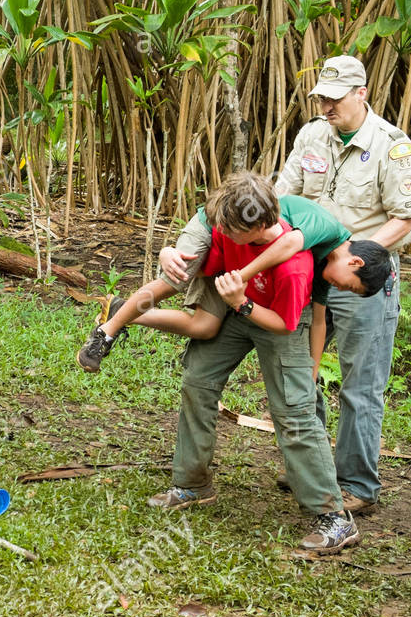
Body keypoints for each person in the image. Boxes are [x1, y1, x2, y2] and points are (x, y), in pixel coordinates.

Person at [148, 172, 361, 554]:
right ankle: (193, 484)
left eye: (232, 228)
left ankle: (333, 516)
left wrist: (242, 303)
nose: (225, 233)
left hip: (279, 320)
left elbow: (288, 323)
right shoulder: (232, 227)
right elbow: (196, 250)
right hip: (235, 311)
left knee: (293, 410)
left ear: (258, 225)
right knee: (197, 380)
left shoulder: (293, 264)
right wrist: (168, 253)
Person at [276, 55, 411, 515]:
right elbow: (284, 195)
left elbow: (405, 219)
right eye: (321, 97)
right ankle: (311, 465)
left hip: (361, 278)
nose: (326, 105)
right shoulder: (311, 134)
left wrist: (349, 255)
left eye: (335, 98)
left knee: (361, 385)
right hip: (309, 274)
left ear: (361, 94)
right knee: (300, 370)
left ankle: (357, 484)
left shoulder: (391, 145)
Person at [77, 193, 388, 377]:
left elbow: (318, 320)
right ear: (355, 263)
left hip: (237, 249)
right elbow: (288, 243)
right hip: (218, 225)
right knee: (174, 279)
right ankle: (107, 332)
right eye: (351, 287)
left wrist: (313, 369)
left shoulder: (325, 268)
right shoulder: (329, 228)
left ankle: (122, 309)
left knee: (205, 327)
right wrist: (243, 276)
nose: (342, 289)